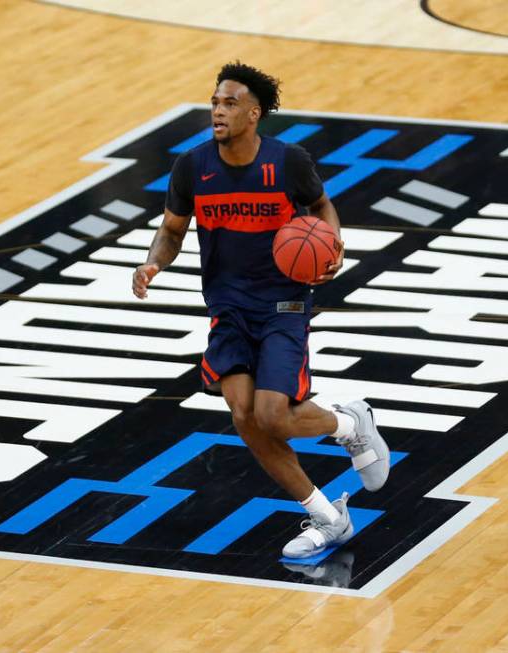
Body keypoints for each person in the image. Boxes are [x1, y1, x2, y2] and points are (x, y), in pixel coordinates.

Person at [132, 62, 389, 559]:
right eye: (214, 102)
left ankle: (350, 424)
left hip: (283, 303)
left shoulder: (287, 161)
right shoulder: (192, 166)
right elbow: (171, 229)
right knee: (244, 415)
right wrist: (151, 264)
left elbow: (320, 207)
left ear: (254, 113)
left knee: (273, 416)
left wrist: (333, 247)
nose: (218, 111)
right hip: (228, 308)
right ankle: (328, 517)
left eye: (229, 104)